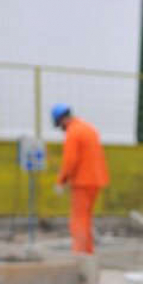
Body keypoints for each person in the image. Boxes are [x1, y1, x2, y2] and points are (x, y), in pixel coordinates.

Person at [53, 103, 109, 254]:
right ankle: (88, 253)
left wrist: (61, 181)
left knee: (78, 220)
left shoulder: (73, 132)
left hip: (82, 181)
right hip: (96, 180)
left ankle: (79, 254)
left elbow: (70, 160)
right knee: (86, 218)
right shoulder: (88, 128)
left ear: (62, 120)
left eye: (60, 126)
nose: (61, 130)